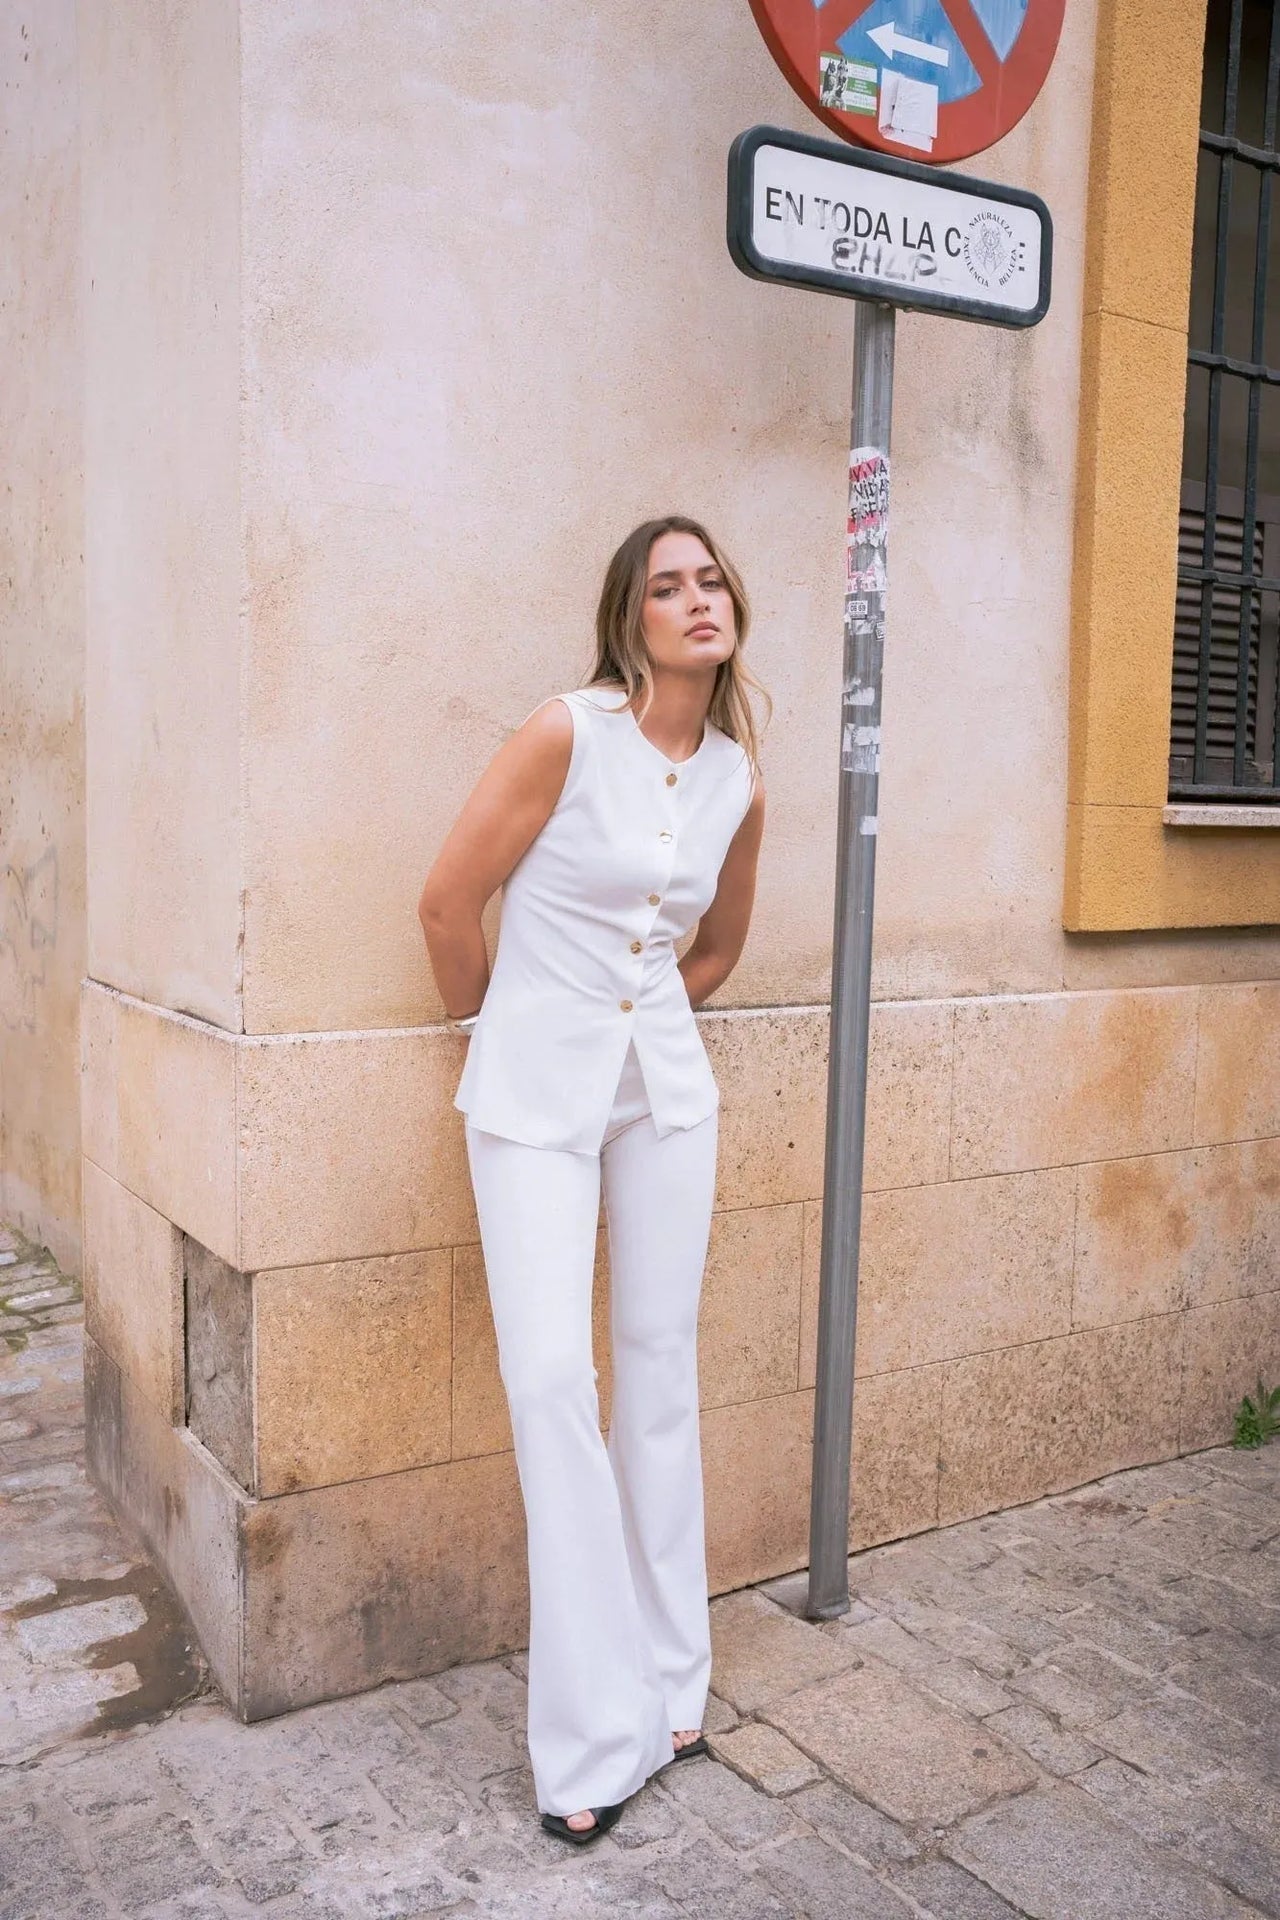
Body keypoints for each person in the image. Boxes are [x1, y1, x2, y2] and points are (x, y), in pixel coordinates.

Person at [417, 515, 770, 1845]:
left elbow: (718, 948)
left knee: (661, 1372)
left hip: (665, 1097)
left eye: (711, 580)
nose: (697, 600)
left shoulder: (737, 780)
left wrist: (644, 1017)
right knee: (553, 1382)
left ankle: (675, 1686)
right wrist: (501, 1028)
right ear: (631, 619)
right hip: (531, 1097)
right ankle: (590, 1740)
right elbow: (447, 904)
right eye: (668, 587)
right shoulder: (566, 733)